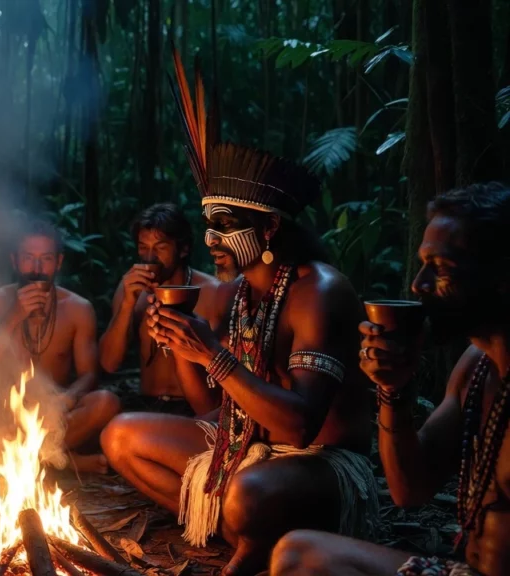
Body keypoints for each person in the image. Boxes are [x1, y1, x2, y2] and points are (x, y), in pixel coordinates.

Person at [100, 60, 377, 576]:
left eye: (224, 227)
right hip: (249, 445)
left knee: (245, 492)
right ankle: (240, 534)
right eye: (207, 226)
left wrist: (213, 353)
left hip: (322, 461)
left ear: (269, 228)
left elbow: (299, 426)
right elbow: (211, 407)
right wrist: (185, 350)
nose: (210, 241)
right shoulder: (241, 292)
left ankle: (255, 531)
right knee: (119, 436)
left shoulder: (318, 289)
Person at [270, 182, 510, 576]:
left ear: (501, 274)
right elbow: (409, 489)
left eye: (441, 268)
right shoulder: (475, 367)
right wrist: (393, 388)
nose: (419, 285)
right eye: (422, 264)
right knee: (298, 554)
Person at [0, 219, 120, 473]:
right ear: (14, 260)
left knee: (106, 402)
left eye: (46, 259)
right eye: (29, 257)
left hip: (56, 418)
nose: (37, 268)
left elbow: (88, 375)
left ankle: (24, 462)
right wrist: (14, 315)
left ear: (58, 262)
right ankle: (65, 462)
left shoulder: (77, 309)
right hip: (3, 416)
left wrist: (67, 398)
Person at [99, 203, 218, 415]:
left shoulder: (212, 293)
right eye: (143, 247)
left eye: (160, 248)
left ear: (183, 249)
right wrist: (128, 303)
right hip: (146, 403)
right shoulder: (130, 288)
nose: (149, 257)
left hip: (195, 409)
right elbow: (109, 363)